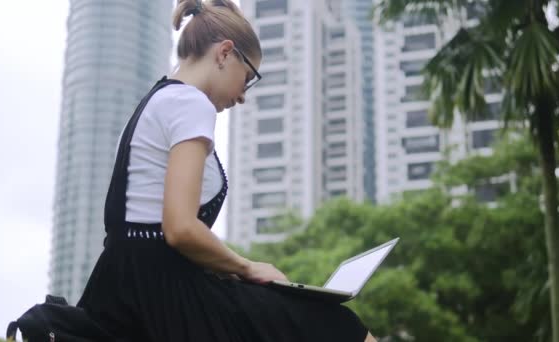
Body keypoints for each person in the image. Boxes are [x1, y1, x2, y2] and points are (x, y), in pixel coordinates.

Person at [77, 0, 377, 341]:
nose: (242, 96)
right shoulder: (191, 104)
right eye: (248, 77)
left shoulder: (155, 102)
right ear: (224, 53)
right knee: (335, 323)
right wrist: (248, 267)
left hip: (121, 283)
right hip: (161, 291)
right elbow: (180, 228)